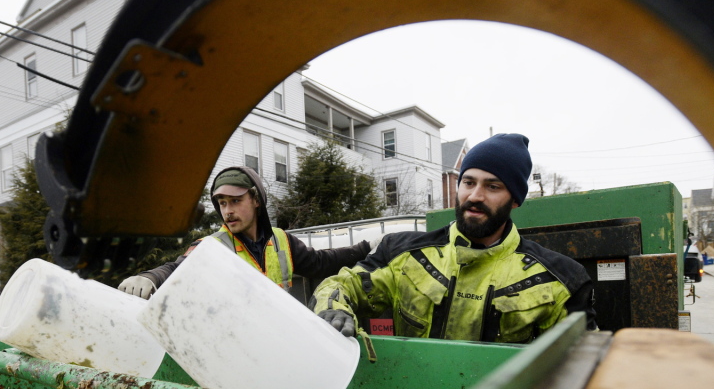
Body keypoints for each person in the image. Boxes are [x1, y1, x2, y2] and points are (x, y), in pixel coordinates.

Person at [314, 133, 596, 342]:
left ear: (515, 200)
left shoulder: (561, 281)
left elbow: (580, 364)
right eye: (468, 182)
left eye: (493, 186)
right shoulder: (403, 254)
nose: (475, 196)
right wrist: (332, 308)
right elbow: (343, 284)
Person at [118, 166, 372, 298]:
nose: (227, 211)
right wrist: (150, 277)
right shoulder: (212, 246)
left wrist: (367, 248)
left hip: (277, 342)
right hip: (235, 352)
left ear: (256, 200)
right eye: (223, 203)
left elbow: (321, 263)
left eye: (236, 201)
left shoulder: (281, 241)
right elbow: (177, 268)